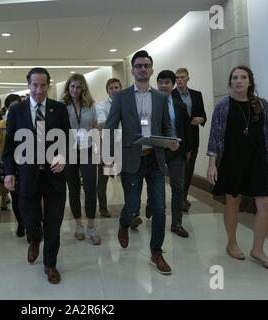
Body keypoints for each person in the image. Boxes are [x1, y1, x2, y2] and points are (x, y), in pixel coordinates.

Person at [104, 50, 178, 275]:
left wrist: (172, 139)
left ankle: (156, 252)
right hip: (131, 159)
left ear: (151, 69)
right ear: (133, 70)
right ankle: (124, 223)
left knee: (159, 208)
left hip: (155, 159)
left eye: (146, 65)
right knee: (133, 206)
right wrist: (108, 159)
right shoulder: (122, 97)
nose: (142, 69)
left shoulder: (161, 97)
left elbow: (167, 125)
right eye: (138, 66)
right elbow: (109, 127)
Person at [207, 65, 268, 271]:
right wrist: (212, 165)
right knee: (233, 201)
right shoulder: (224, 106)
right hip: (232, 160)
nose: (238, 81)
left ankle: (257, 249)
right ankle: (232, 242)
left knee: (266, 204)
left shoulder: (261, 104)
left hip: (259, 160)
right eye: (234, 78)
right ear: (230, 82)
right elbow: (215, 137)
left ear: (250, 82)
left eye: (243, 77)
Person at [3, 67, 70, 284]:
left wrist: (62, 156)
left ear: (48, 85)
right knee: (29, 218)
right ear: (28, 85)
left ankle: (50, 264)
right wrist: (9, 172)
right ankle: (34, 238)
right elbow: (9, 146)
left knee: (53, 223)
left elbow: (68, 141)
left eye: (43, 85)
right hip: (26, 175)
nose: (39, 90)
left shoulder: (59, 109)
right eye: (34, 85)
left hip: (54, 175)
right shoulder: (16, 111)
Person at [62, 73, 101, 245]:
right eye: (72, 87)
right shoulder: (62, 105)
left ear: (83, 88)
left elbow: (94, 128)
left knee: (91, 187)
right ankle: (78, 225)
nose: (75, 90)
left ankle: (91, 226)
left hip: (88, 149)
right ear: (68, 87)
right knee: (74, 188)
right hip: (69, 151)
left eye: (78, 87)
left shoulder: (90, 105)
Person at [155, 70, 193, 238]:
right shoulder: (150, 103)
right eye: (160, 82)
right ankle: (151, 204)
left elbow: (186, 129)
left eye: (167, 83)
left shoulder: (179, 104)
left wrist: (188, 150)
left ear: (172, 85)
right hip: (157, 151)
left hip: (177, 151)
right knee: (155, 186)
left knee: (178, 186)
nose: (163, 86)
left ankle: (176, 223)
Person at [0, 94, 26, 237]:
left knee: (28, 195)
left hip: (27, 164)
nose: (15, 109)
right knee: (15, 197)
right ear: (7, 109)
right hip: (10, 165)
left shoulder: (28, 121)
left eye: (18, 106)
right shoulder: (3, 123)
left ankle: (30, 223)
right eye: (12, 107)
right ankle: (21, 224)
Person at [172, 68, 207, 212]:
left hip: (193, 136)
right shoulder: (170, 95)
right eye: (177, 77)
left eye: (182, 77)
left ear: (188, 78)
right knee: (179, 169)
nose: (179, 80)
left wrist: (202, 119)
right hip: (177, 137)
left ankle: (184, 197)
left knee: (189, 167)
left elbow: (202, 113)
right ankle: (178, 198)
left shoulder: (196, 95)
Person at [95, 78, 122, 218]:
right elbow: (101, 123)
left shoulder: (127, 104)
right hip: (108, 146)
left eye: (116, 87)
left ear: (120, 89)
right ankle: (103, 207)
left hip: (124, 147)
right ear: (107, 91)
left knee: (128, 178)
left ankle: (131, 208)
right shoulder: (101, 106)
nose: (114, 90)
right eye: (111, 88)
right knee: (103, 178)